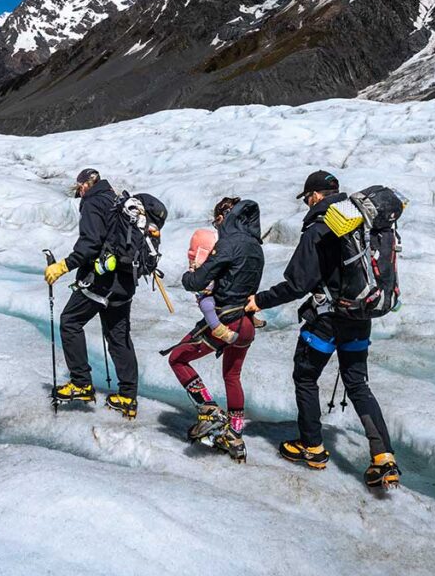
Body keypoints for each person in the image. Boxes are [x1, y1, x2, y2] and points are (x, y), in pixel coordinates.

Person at [245, 170, 400, 487]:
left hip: (326, 322)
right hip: (359, 317)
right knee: (357, 384)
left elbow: (297, 284)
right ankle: (384, 458)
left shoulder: (318, 229)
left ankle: (311, 447)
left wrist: (258, 302)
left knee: (305, 376)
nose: (306, 204)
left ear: (315, 195)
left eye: (306, 198)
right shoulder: (359, 223)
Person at [169, 197, 264, 462]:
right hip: (246, 325)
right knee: (232, 376)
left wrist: (191, 274)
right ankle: (235, 434)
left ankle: (208, 409)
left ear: (226, 216)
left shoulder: (229, 244)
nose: (216, 225)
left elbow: (197, 280)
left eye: (217, 220)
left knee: (177, 358)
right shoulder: (256, 246)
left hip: (225, 321)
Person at [45, 169, 140, 419]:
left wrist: (63, 266)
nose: (79, 192)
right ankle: (128, 396)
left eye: (79, 187)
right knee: (118, 335)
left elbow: (90, 244)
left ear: (85, 185)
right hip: (124, 280)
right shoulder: (115, 200)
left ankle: (81, 383)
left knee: (70, 321)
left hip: (100, 281)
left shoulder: (92, 203)